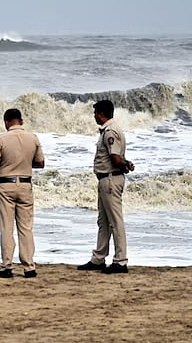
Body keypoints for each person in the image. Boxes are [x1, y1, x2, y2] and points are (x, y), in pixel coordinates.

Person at [0, 108, 45, 278]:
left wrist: (6, 163)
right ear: (22, 121)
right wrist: (24, 163)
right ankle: (29, 266)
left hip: (6, 184)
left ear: (6, 122)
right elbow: (40, 163)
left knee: (7, 226)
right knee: (26, 227)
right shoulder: (33, 138)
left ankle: (7, 265)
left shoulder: (1, 139)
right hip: (25, 184)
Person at [77, 99, 131, 274]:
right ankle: (98, 258)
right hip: (107, 179)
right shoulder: (110, 130)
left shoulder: (110, 132)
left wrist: (123, 163)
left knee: (115, 221)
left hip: (109, 180)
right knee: (104, 222)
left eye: (95, 113)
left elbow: (115, 158)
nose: (94, 116)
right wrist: (126, 163)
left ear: (101, 114)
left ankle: (120, 261)